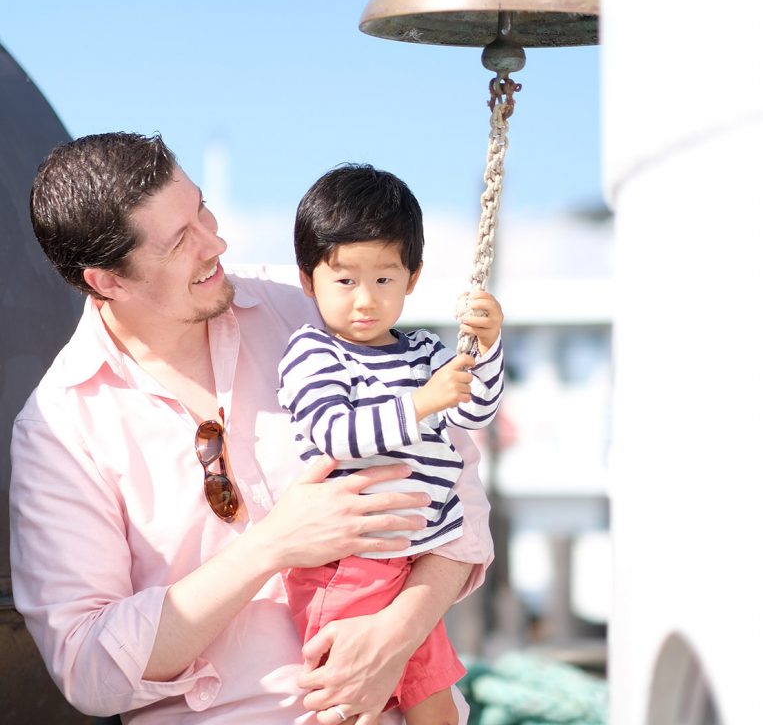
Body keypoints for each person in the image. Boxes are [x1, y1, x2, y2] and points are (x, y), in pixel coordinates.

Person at [9, 132, 494, 725]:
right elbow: (90, 670)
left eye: (201, 209)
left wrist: (401, 630)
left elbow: (460, 487)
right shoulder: (60, 427)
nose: (216, 242)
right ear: (109, 280)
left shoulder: (310, 302)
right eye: (179, 241)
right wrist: (272, 546)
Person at [278, 165, 505, 725]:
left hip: (413, 565)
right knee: (350, 701)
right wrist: (421, 404)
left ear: (412, 277)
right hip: (347, 562)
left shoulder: (424, 351)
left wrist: (489, 347)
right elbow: (335, 434)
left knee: (437, 705)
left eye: (384, 280)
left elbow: (475, 408)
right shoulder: (314, 353)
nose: (365, 300)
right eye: (345, 280)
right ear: (309, 280)